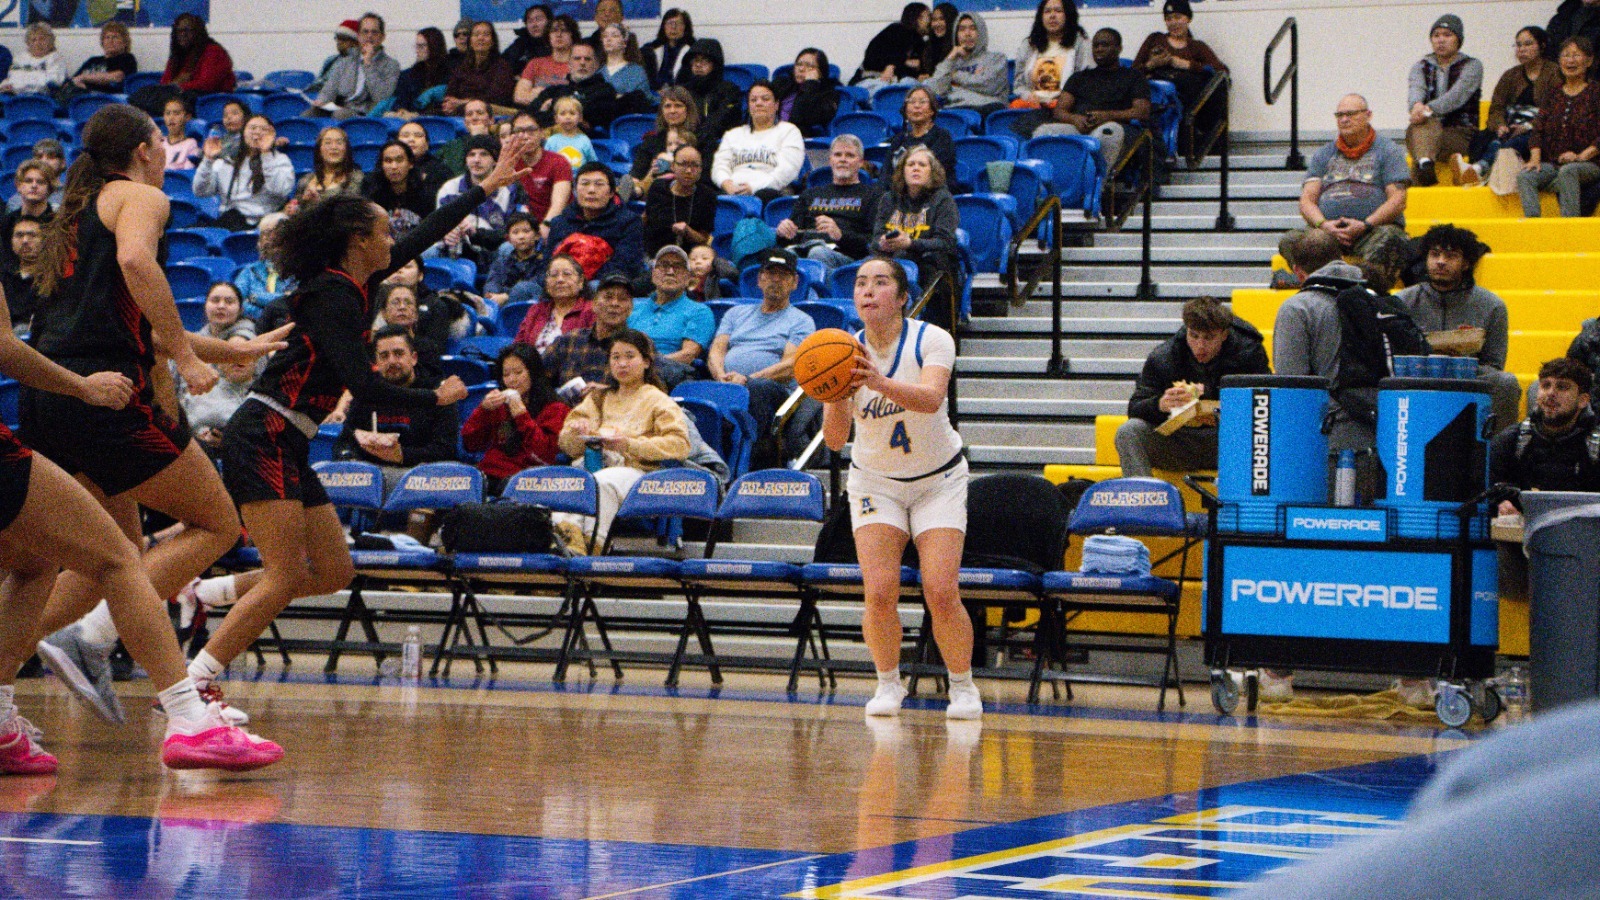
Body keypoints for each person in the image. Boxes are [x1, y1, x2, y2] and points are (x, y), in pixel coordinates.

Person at [173, 136, 533, 723]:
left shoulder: (357, 281)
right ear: (358, 241)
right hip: (262, 432)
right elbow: (363, 387)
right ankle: (196, 683)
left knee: (334, 571)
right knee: (288, 574)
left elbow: (424, 234)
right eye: (384, 230)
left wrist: (485, 188)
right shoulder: (333, 299)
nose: (394, 238)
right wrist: (432, 395)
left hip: (289, 438)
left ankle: (209, 594)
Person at [21, 104, 286, 761]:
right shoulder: (140, 195)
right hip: (104, 398)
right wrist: (190, 360)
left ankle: (61, 641)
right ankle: (104, 644)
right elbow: (141, 266)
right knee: (217, 525)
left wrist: (228, 351)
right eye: (164, 142)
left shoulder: (73, 215)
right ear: (146, 148)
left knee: (107, 552)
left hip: (52, 392)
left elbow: (130, 314)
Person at [821, 257, 981, 721]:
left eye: (881, 282)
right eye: (860, 283)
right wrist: (835, 394)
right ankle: (888, 684)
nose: (868, 291)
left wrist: (878, 382)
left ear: (903, 295)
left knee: (940, 589)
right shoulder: (839, 349)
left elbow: (931, 400)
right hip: (875, 481)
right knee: (880, 591)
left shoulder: (931, 338)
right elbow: (834, 441)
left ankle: (963, 686)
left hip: (939, 480)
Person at [555, 328, 691, 548]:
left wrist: (629, 444)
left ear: (646, 362)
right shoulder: (598, 398)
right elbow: (567, 445)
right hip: (594, 464)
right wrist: (577, 433)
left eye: (630, 356)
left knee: (602, 482)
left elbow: (679, 445)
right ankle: (565, 543)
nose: (622, 364)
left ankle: (594, 545)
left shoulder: (659, 400)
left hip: (641, 473)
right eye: (615, 357)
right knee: (569, 482)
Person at [1115, 296, 1270, 477]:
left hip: (1231, 443)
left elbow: (1267, 406)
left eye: (1209, 338)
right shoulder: (1165, 356)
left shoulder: (1248, 353)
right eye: (1194, 336)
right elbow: (1135, 407)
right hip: (1182, 442)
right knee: (1129, 432)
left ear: (1224, 334)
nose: (1200, 346)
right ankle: (1144, 501)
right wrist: (1160, 404)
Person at [1396, 224, 1520, 430]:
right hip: (1416, 373)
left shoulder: (1492, 305)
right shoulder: (1401, 301)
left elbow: (1495, 364)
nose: (1441, 262)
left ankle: (1498, 452)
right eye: (1434, 255)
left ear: (1466, 264)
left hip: (1466, 376)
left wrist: (1458, 362)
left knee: (1505, 382)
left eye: (1451, 256)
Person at [708, 248, 821, 467]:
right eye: (770, 274)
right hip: (729, 382)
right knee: (688, 390)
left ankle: (755, 466)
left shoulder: (801, 320)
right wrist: (722, 377)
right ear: (760, 279)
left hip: (775, 393)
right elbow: (717, 350)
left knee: (759, 389)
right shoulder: (735, 314)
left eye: (784, 275)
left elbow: (789, 366)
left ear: (795, 282)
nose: (776, 280)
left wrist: (748, 380)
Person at [1281, 94, 1410, 276]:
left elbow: (1398, 200)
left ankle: (1366, 288)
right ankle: (1321, 284)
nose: (1344, 120)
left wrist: (1365, 225)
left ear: (1368, 115)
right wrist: (1324, 225)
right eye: (1339, 115)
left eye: (1351, 114)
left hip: (1372, 231)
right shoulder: (1323, 154)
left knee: (1392, 238)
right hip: (1328, 234)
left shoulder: (1389, 151)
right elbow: (1307, 201)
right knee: (1291, 240)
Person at [333, 327, 461, 494]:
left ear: (413, 358)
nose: (392, 361)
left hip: (421, 481)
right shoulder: (366, 395)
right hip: (370, 479)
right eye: (384, 356)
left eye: (399, 353)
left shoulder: (438, 395)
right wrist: (350, 459)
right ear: (376, 363)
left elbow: (446, 451)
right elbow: (344, 442)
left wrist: (401, 455)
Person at [1490, 358, 1600, 514]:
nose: (1551, 393)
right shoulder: (1510, 440)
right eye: (1545, 385)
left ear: (1583, 400)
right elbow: (1483, 490)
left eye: (1562, 387)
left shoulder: (1595, 446)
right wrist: (1498, 504)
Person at [1033, 29, 1151, 170]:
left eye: (1105, 45)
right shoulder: (1079, 77)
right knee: (1043, 132)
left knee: (1107, 133)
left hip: (1112, 127)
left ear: (1119, 49)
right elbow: (1059, 111)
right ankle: (1050, 184)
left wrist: (1107, 116)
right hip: (1079, 127)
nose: (1099, 49)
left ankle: (1098, 185)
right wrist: (1075, 119)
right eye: (1096, 46)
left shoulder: (1133, 77)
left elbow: (1142, 111)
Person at [462, 342, 571, 495]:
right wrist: (483, 410)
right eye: (506, 374)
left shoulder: (556, 408)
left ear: (533, 373)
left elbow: (545, 456)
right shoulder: (498, 404)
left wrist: (521, 415)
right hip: (488, 474)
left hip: (527, 480)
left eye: (518, 372)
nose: (512, 380)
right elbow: (470, 444)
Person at [872, 146, 961, 331]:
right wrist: (883, 243)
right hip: (891, 260)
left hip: (930, 264)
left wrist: (910, 243)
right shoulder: (889, 199)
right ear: (902, 171)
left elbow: (945, 242)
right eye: (910, 164)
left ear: (932, 172)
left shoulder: (943, 199)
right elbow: (874, 239)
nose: (915, 168)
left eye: (922, 164)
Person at [1456, 27, 1554, 184]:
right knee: (1488, 138)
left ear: (1542, 46)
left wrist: (1530, 126)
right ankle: (1477, 172)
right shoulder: (1510, 75)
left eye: (1528, 44)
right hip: (1510, 125)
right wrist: (1500, 125)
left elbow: (1555, 110)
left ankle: (1478, 169)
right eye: (1518, 45)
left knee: (1514, 143)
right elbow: (1496, 107)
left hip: (1538, 129)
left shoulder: (1554, 73)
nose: (1522, 50)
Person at [1132, 0, 1229, 156]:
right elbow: (1133, 72)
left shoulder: (1196, 46)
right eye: (1169, 19)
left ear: (1188, 19)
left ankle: (1204, 142)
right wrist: (1151, 64)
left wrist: (1185, 64)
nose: (1173, 23)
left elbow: (1221, 71)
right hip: (1160, 95)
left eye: (1178, 17)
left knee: (1215, 91)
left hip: (1188, 97)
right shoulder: (1155, 40)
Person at [1518, 37, 1600, 218]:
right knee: (1525, 176)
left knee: (1568, 171)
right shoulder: (1553, 93)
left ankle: (1569, 225)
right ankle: (1533, 225)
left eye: (1576, 55)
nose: (1570, 60)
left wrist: (1580, 156)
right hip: (1554, 163)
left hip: (1591, 163)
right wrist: (1535, 159)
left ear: (1589, 61)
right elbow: (1537, 128)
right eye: (1566, 55)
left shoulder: (1595, 92)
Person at [777, 134, 880, 274]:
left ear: (861, 162)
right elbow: (790, 236)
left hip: (847, 256)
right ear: (830, 160)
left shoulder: (873, 195)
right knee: (780, 257)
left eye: (849, 155)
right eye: (838, 155)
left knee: (817, 253)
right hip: (805, 247)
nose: (843, 159)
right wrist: (783, 232)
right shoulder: (810, 194)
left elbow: (873, 242)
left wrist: (840, 235)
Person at [1403, 15, 1483, 186]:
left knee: (1417, 133)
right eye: (1436, 35)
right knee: (1419, 128)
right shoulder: (1420, 66)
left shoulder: (1472, 65)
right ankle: (1426, 164)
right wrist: (1416, 106)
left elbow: (1456, 97)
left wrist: (1426, 110)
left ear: (1458, 40)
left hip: (1461, 132)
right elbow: (1416, 90)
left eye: (1447, 35)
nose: (1441, 40)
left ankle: (1423, 166)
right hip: (1428, 131)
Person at [543, 162, 646, 283]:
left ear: (612, 192)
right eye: (585, 184)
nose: (591, 190)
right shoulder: (560, 223)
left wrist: (579, 282)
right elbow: (548, 262)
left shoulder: (629, 222)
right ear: (575, 190)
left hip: (604, 284)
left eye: (599, 184)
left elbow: (625, 265)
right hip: (560, 282)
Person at [627, 245, 713, 388]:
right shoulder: (633, 307)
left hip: (666, 376)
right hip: (626, 369)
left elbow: (688, 355)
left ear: (688, 278)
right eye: (664, 265)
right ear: (653, 274)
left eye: (678, 267)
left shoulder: (699, 311)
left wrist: (643, 366)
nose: (670, 271)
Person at [193, 115, 295, 232]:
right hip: (230, 222)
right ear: (243, 133)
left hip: (266, 225)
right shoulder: (227, 160)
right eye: (252, 128)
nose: (257, 132)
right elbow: (200, 191)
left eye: (263, 129)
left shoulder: (280, 160)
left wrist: (266, 155)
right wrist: (208, 160)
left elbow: (280, 190)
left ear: (272, 135)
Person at [433, 134, 520, 269]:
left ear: (495, 160)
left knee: (508, 248)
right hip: (456, 249)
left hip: (494, 251)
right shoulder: (450, 188)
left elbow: (513, 233)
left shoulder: (510, 190)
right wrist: (446, 234)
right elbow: (437, 225)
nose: (476, 160)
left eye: (484, 154)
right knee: (427, 252)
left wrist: (475, 233)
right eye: (471, 155)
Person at [712, 81, 805, 201]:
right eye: (753, 100)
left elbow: (787, 170)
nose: (759, 103)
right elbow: (719, 166)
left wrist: (753, 187)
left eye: (765, 99)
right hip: (732, 191)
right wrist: (726, 184)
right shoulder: (733, 134)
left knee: (766, 195)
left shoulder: (789, 131)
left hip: (772, 191)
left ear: (776, 105)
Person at [544, 272, 635, 393]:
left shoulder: (638, 345)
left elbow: (654, 388)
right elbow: (536, 378)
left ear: (630, 309)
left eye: (622, 299)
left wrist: (609, 392)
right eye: (608, 297)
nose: (615, 304)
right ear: (594, 304)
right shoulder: (569, 340)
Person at [311, 13, 400, 120]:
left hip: (369, 113)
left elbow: (381, 97)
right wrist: (321, 101)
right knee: (310, 113)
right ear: (358, 36)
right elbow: (329, 89)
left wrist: (368, 64)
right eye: (365, 32)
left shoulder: (391, 64)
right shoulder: (345, 61)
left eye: (374, 32)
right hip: (342, 108)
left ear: (382, 37)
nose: (369, 36)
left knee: (340, 115)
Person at [179, 336, 258, 456]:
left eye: (245, 352)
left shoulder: (267, 397)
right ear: (219, 364)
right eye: (232, 354)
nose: (238, 358)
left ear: (256, 361)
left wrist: (229, 443)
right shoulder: (199, 395)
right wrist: (201, 436)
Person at [928, 12, 1010, 117]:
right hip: (956, 110)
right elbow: (935, 90)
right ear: (956, 34)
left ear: (981, 32)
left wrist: (955, 76)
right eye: (962, 29)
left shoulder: (996, 59)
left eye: (973, 28)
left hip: (987, 108)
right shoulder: (951, 64)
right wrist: (950, 57)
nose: (967, 33)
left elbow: (989, 86)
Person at [1013, 0, 1091, 109]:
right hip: (1032, 105)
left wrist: (1063, 100)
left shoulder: (1081, 43)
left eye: (1058, 11)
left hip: (1066, 106)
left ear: (1068, 15)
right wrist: (1028, 96)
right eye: (1047, 11)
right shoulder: (1029, 44)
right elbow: (1019, 84)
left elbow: (1084, 82)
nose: (1052, 16)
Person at [511, 254, 597, 350]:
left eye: (567, 274)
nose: (560, 280)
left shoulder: (592, 310)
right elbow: (518, 349)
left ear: (580, 282)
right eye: (554, 275)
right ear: (547, 284)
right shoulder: (536, 310)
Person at [643, 144, 716, 255]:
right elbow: (646, 221)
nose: (688, 170)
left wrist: (687, 231)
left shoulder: (707, 196)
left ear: (701, 169)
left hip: (689, 256)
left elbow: (703, 239)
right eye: (683, 164)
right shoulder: (657, 188)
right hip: (654, 253)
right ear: (673, 166)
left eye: (695, 165)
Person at [629, 86, 701, 197]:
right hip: (652, 189)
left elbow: (703, 176)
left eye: (678, 106)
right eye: (667, 106)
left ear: (688, 109)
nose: (672, 111)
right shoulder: (652, 140)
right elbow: (636, 173)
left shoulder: (701, 138)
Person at [532, 41, 620, 131]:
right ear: (569, 64)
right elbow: (530, 115)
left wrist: (548, 110)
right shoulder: (553, 91)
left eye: (587, 59)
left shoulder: (605, 90)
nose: (582, 63)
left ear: (596, 65)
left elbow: (590, 118)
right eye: (577, 58)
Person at [679, 39, 744, 150]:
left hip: (715, 146)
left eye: (704, 61)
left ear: (715, 64)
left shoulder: (729, 90)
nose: (698, 65)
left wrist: (695, 140)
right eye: (695, 61)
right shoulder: (682, 91)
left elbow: (720, 120)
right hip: (683, 144)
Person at [363, 140, 436, 236]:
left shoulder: (426, 193)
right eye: (388, 161)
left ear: (410, 164)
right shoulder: (371, 192)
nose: (394, 166)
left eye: (399, 160)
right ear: (381, 165)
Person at [885, 85, 958, 182]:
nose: (916, 106)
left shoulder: (942, 137)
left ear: (932, 110)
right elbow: (885, 175)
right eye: (912, 102)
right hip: (898, 194)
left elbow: (935, 174)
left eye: (922, 102)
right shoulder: (898, 140)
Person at [233, 212, 294, 322]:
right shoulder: (250, 271)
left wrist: (256, 298)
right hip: (252, 326)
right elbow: (235, 304)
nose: (269, 239)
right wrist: (267, 314)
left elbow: (293, 301)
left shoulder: (300, 271)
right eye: (264, 234)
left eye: (275, 232)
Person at [444, 20, 516, 113]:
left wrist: (462, 103)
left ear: (492, 41)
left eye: (486, 34)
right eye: (476, 34)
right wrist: (448, 104)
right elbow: (450, 94)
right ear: (470, 41)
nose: (480, 38)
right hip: (460, 114)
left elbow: (497, 99)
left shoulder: (502, 67)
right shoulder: (462, 67)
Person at [854, 3, 930, 91]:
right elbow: (872, 56)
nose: (931, 21)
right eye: (928, 16)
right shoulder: (896, 31)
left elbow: (916, 67)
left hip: (897, 86)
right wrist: (895, 64)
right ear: (918, 18)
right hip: (872, 81)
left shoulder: (920, 42)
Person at [373, 281, 452, 365]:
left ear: (416, 314)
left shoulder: (428, 349)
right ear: (383, 312)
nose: (402, 307)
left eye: (408, 303)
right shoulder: (374, 347)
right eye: (395, 303)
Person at [159, 13, 235, 95]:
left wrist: (178, 85)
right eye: (179, 31)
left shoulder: (214, 51)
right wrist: (177, 83)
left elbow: (206, 85)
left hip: (211, 100)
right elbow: (164, 84)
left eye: (187, 30)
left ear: (198, 32)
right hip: (180, 98)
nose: (183, 34)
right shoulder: (177, 55)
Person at [772, 48, 840, 140]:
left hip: (799, 139)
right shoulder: (783, 85)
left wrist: (810, 85)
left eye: (809, 66)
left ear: (820, 72)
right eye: (798, 64)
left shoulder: (829, 94)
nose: (801, 69)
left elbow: (802, 117)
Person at [514, 14, 578, 110]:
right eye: (554, 31)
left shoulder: (580, 64)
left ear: (572, 36)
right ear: (548, 36)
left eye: (564, 30)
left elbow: (579, 97)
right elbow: (519, 97)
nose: (558, 35)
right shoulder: (535, 63)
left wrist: (541, 94)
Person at [294, 127, 363, 210]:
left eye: (339, 143)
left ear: (346, 149)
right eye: (328, 143)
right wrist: (301, 203)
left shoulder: (357, 179)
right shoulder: (305, 180)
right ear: (319, 150)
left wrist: (318, 203)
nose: (334, 147)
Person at [62, 22, 136, 97]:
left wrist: (83, 78)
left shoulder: (127, 58)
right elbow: (74, 80)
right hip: (82, 97)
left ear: (125, 42)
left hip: (108, 99)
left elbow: (116, 77)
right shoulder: (93, 60)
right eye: (107, 37)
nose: (110, 41)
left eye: (115, 37)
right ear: (102, 42)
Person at [484, 214, 543, 306]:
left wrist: (507, 296)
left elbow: (537, 283)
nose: (521, 237)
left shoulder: (544, 261)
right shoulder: (502, 261)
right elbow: (493, 281)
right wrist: (492, 294)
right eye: (515, 233)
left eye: (526, 231)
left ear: (537, 235)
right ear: (509, 239)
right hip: (500, 304)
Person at [391, 27, 450, 116]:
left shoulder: (450, 73)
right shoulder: (408, 75)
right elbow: (399, 101)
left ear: (434, 46)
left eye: (422, 46)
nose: (417, 50)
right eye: (416, 46)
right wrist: (401, 110)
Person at [1, 218, 43, 334]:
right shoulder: (3, 279)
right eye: (19, 235)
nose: (25, 241)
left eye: (32, 235)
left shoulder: (54, 279)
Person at [0, 23, 64, 95]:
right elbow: (12, 78)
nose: (37, 43)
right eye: (33, 40)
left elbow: (54, 81)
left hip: (44, 99)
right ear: (28, 43)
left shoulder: (55, 58)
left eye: (42, 39)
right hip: (18, 98)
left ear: (51, 41)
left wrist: (21, 82)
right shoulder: (20, 58)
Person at [599, 23, 654, 106]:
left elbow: (642, 98)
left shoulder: (636, 71)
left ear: (624, 42)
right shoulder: (599, 73)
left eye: (614, 36)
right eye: (605, 36)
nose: (608, 39)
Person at [396, 120, 455, 196]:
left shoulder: (440, 170)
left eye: (418, 136)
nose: (411, 139)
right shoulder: (386, 167)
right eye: (405, 136)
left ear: (427, 144)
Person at [642, 7, 694, 90]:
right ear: (663, 26)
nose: (673, 27)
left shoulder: (693, 51)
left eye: (678, 23)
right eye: (670, 23)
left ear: (685, 27)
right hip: (656, 95)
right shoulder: (650, 50)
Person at [545, 96, 599, 168]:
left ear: (580, 118)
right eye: (563, 114)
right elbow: (545, 163)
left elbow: (593, 163)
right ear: (556, 119)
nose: (568, 117)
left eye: (572, 113)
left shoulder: (584, 140)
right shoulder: (551, 141)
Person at [504, 4, 554, 78]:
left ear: (549, 21)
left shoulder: (557, 41)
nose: (534, 24)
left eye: (538, 19)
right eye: (530, 21)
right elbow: (503, 66)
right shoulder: (521, 43)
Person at [159, 97, 198, 171]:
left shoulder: (191, 143)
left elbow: (187, 172)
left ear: (187, 117)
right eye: (167, 113)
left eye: (176, 113)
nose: (171, 118)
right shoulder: (159, 143)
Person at [923, 3, 960, 76]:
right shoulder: (928, 45)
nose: (937, 24)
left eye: (942, 19)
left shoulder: (959, 45)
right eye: (934, 19)